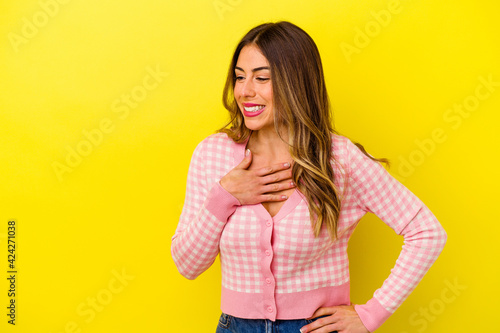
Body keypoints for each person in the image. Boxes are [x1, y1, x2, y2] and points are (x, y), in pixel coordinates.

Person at [171, 21, 447, 333]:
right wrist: (223, 196)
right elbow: (188, 265)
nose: (244, 91)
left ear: (296, 83)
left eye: (261, 78)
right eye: (239, 77)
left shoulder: (338, 159)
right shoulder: (213, 154)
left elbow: (426, 232)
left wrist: (371, 315)